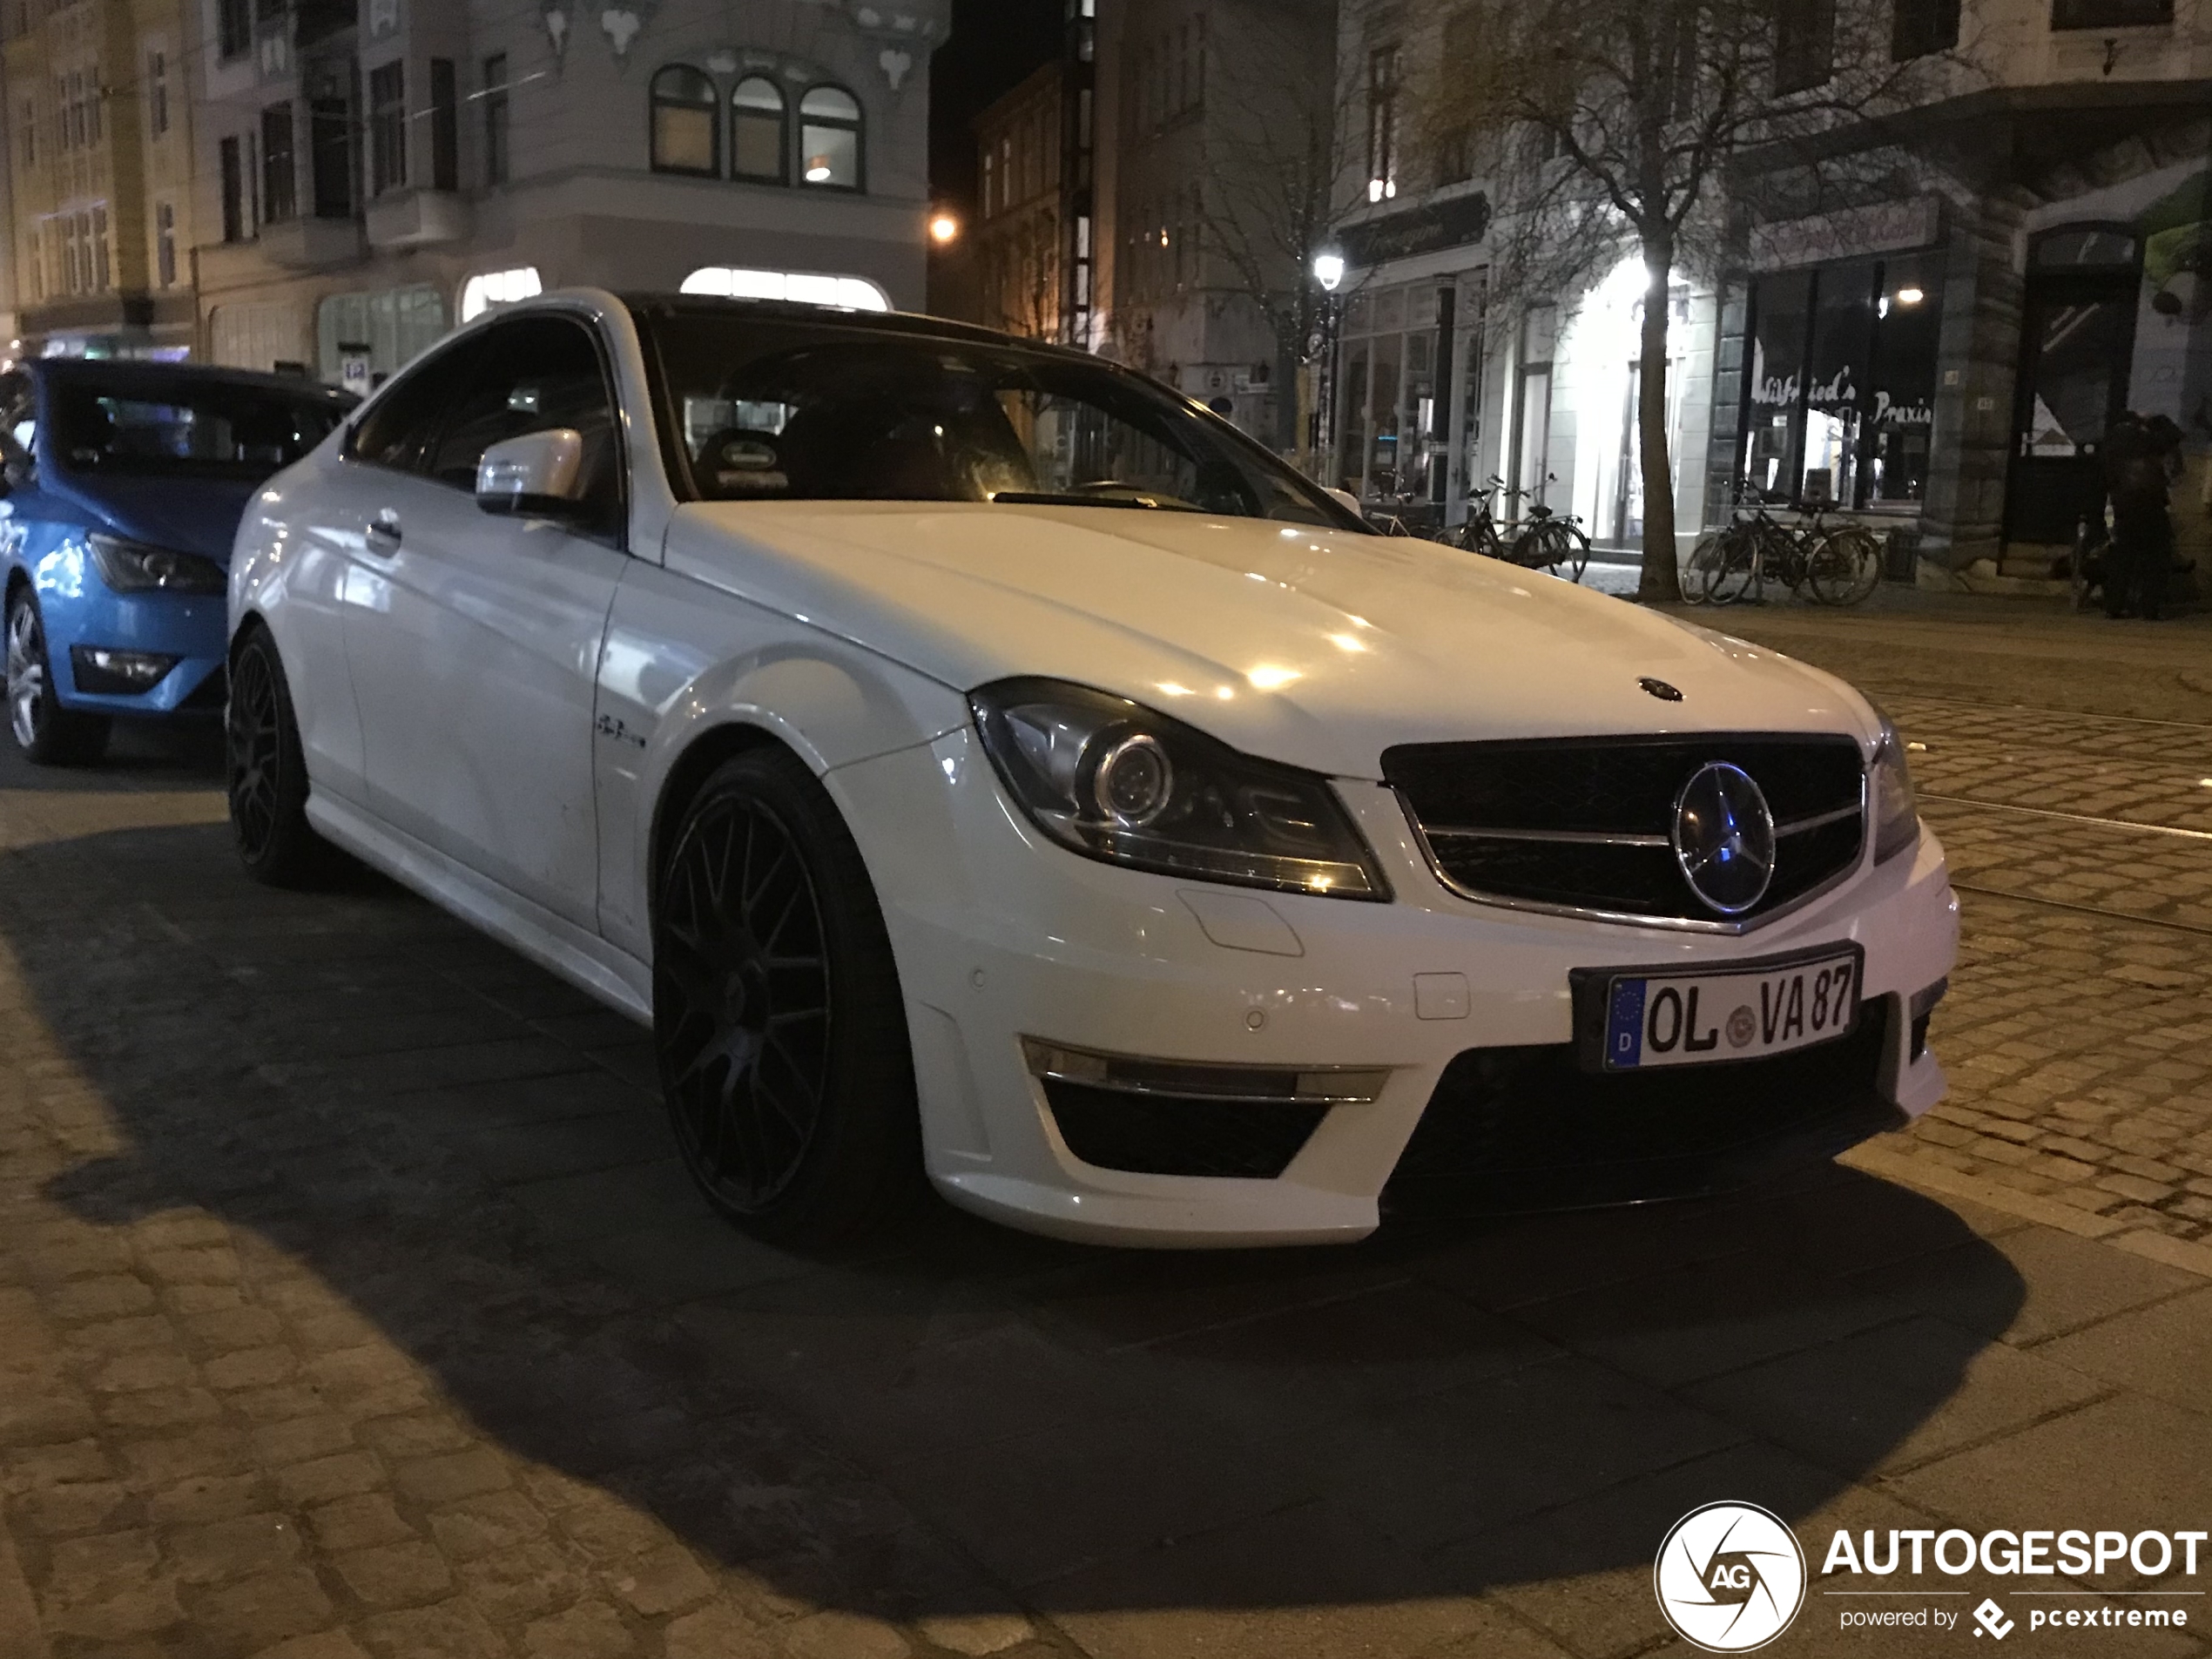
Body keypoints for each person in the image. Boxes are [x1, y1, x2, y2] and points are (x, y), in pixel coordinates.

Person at [2103, 412, 2182, 619]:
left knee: (2123, 557)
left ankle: (2114, 605)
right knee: (2157, 557)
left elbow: (2109, 478)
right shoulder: (2154, 442)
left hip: (2123, 507)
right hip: (2150, 506)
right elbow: (2174, 445)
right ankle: (2149, 608)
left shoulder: (2116, 444)